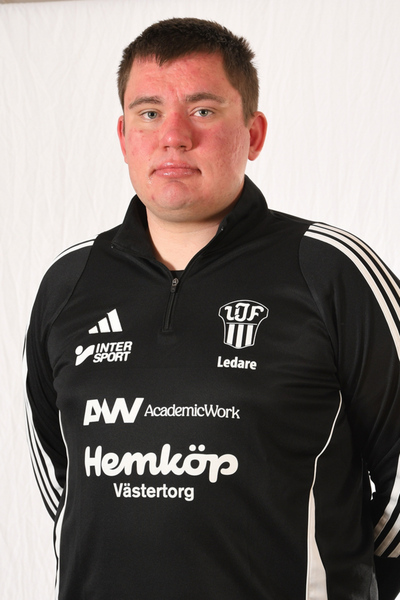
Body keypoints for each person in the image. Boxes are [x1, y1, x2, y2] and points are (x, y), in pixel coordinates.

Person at [24, 17, 400, 600]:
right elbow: (64, 485)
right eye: (150, 113)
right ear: (123, 135)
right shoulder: (68, 284)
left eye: (202, 110)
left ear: (254, 133)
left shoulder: (332, 272)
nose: (173, 136)